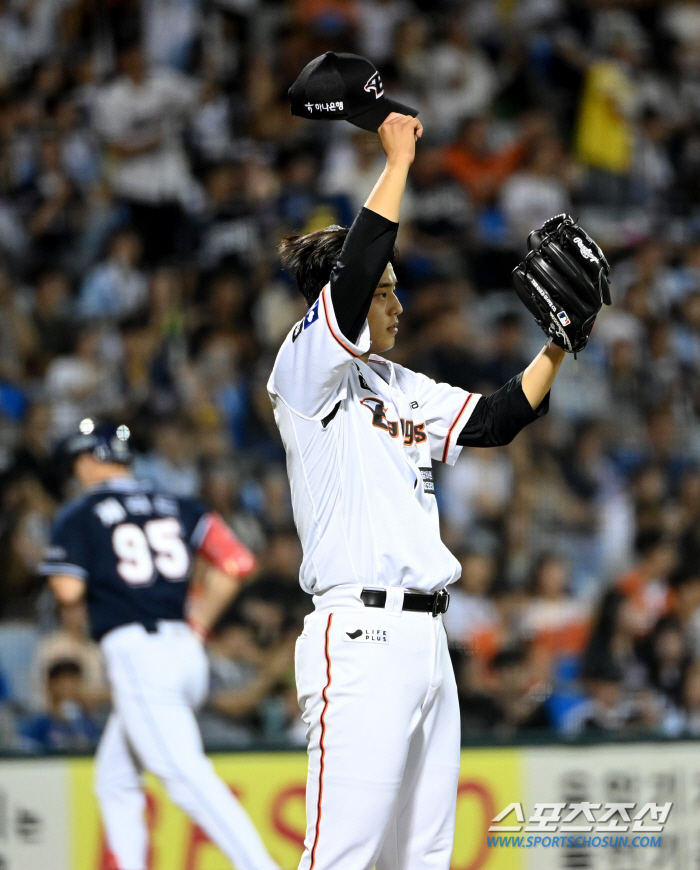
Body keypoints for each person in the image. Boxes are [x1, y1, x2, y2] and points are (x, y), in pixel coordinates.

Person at [268, 113, 567, 870]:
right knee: (339, 855)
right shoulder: (305, 373)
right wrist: (397, 160)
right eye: (385, 292)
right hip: (359, 638)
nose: (396, 304)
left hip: (429, 642)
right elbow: (357, 274)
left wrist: (560, 344)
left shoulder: (404, 385)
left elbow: (497, 420)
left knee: (423, 857)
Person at [40, 420, 279, 870]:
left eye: (79, 462)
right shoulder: (177, 502)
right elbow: (236, 561)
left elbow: (67, 592)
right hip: (186, 651)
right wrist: (199, 623)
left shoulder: (79, 514)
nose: (77, 471)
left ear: (91, 460)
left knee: (186, 778)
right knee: (114, 779)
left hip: (139, 653)